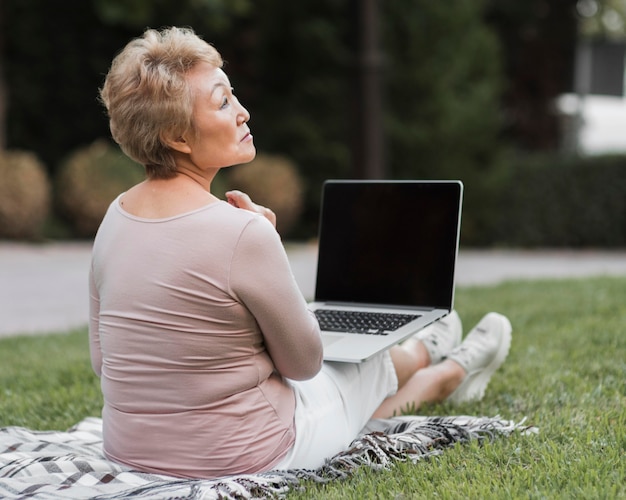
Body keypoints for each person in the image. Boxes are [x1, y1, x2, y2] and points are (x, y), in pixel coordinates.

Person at [90, 26, 512, 479]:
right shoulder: (242, 232)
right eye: (222, 102)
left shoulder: (114, 217)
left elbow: (103, 362)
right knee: (359, 364)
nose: (243, 111)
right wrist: (264, 244)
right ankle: (434, 360)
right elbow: (305, 364)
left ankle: (436, 362)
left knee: (336, 373)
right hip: (249, 456)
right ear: (177, 136)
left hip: (129, 451)